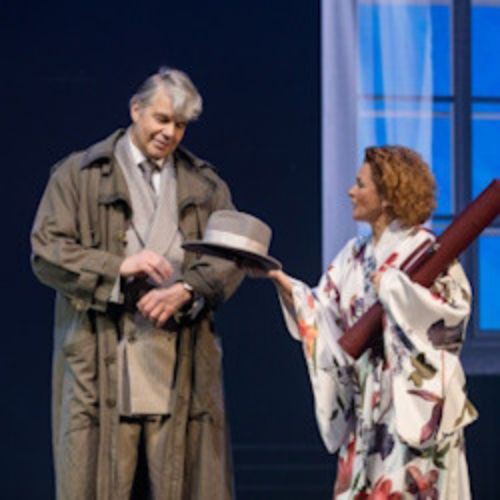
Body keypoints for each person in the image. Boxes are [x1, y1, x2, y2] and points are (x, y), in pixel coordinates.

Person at [31, 67, 243, 499]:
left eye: (179, 125)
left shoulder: (204, 185)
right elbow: (47, 251)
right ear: (136, 110)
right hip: (101, 360)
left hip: (180, 362)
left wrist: (188, 289)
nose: (169, 133)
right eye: (161, 119)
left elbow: (232, 256)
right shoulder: (79, 175)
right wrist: (117, 266)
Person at [257, 146, 477, 498]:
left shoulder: (428, 252)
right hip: (367, 405)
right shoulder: (354, 255)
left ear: (387, 195)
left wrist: (394, 289)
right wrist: (284, 283)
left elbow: (450, 314)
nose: (351, 191)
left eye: (360, 184)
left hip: (411, 404)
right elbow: (323, 312)